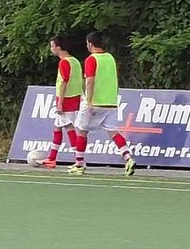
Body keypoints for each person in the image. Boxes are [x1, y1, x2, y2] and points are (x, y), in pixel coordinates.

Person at [71, 32, 136, 177]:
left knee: (80, 130)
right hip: (111, 102)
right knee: (113, 132)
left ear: (90, 44)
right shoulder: (110, 58)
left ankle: (79, 164)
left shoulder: (91, 59)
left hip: (96, 102)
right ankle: (128, 158)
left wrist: (88, 101)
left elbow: (90, 81)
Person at [43, 35, 82, 169]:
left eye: (52, 46)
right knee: (58, 127)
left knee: (68, 126)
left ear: (59, 47)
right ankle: (52, 158)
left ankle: (79, 160)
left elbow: (64, 82)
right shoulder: (75, 61)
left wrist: (60, 103)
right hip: (75, 97)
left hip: (66, 98)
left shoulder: (64, 62)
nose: (51, 49)